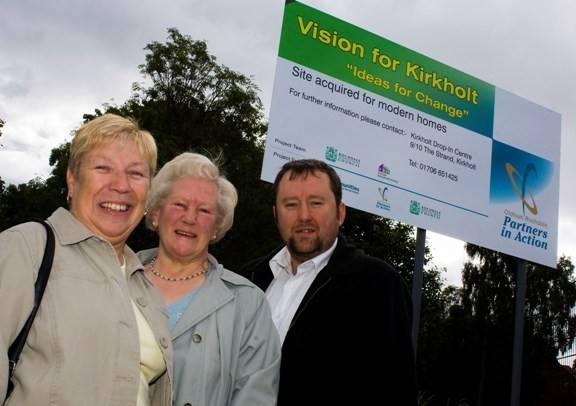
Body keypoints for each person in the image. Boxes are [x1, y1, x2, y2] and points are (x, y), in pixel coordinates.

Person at [0, 114, 172, 405]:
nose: (121, 185)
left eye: (136, 173)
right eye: (103, 168)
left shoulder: (147, 289)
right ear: (72, 178)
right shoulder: (26, 248)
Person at [240, 159, 417, 406]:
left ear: (340, 212)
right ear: (275, 214)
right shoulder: (246, 280)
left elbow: (395, 388)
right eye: (291, 204)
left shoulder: (378, 285)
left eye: (316, 203)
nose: (304, 216)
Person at [138, 152, 281, 406]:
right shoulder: (116, 277)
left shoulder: (248, 304)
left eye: (204, 210)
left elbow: (255, 398)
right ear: (157, 213)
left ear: (216, 227)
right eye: (180, 205)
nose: (190, 218)